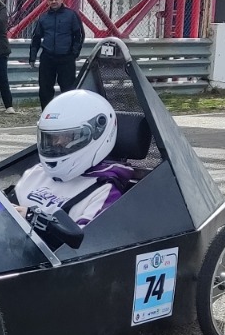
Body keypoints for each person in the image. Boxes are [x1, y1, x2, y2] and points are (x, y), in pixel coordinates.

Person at [15, 90, 137, 243]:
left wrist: (33, 218)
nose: (58, 143)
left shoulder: (104, 191)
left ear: (97, 134)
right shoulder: (37, 172)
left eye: (68, 137)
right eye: (52, 138)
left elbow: (86, 244)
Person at [28, 0, 86, 107]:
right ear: (48, 1)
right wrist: (32, 57)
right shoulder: (43, 17)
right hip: (47, 57)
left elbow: (79, 35)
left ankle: (68, 112)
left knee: (68, 88)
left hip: (66, 57)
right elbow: (36, 37)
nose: (54, 1)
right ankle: (46, 112)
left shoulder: (71, 15)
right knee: (45, 88)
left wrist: (74, 53)